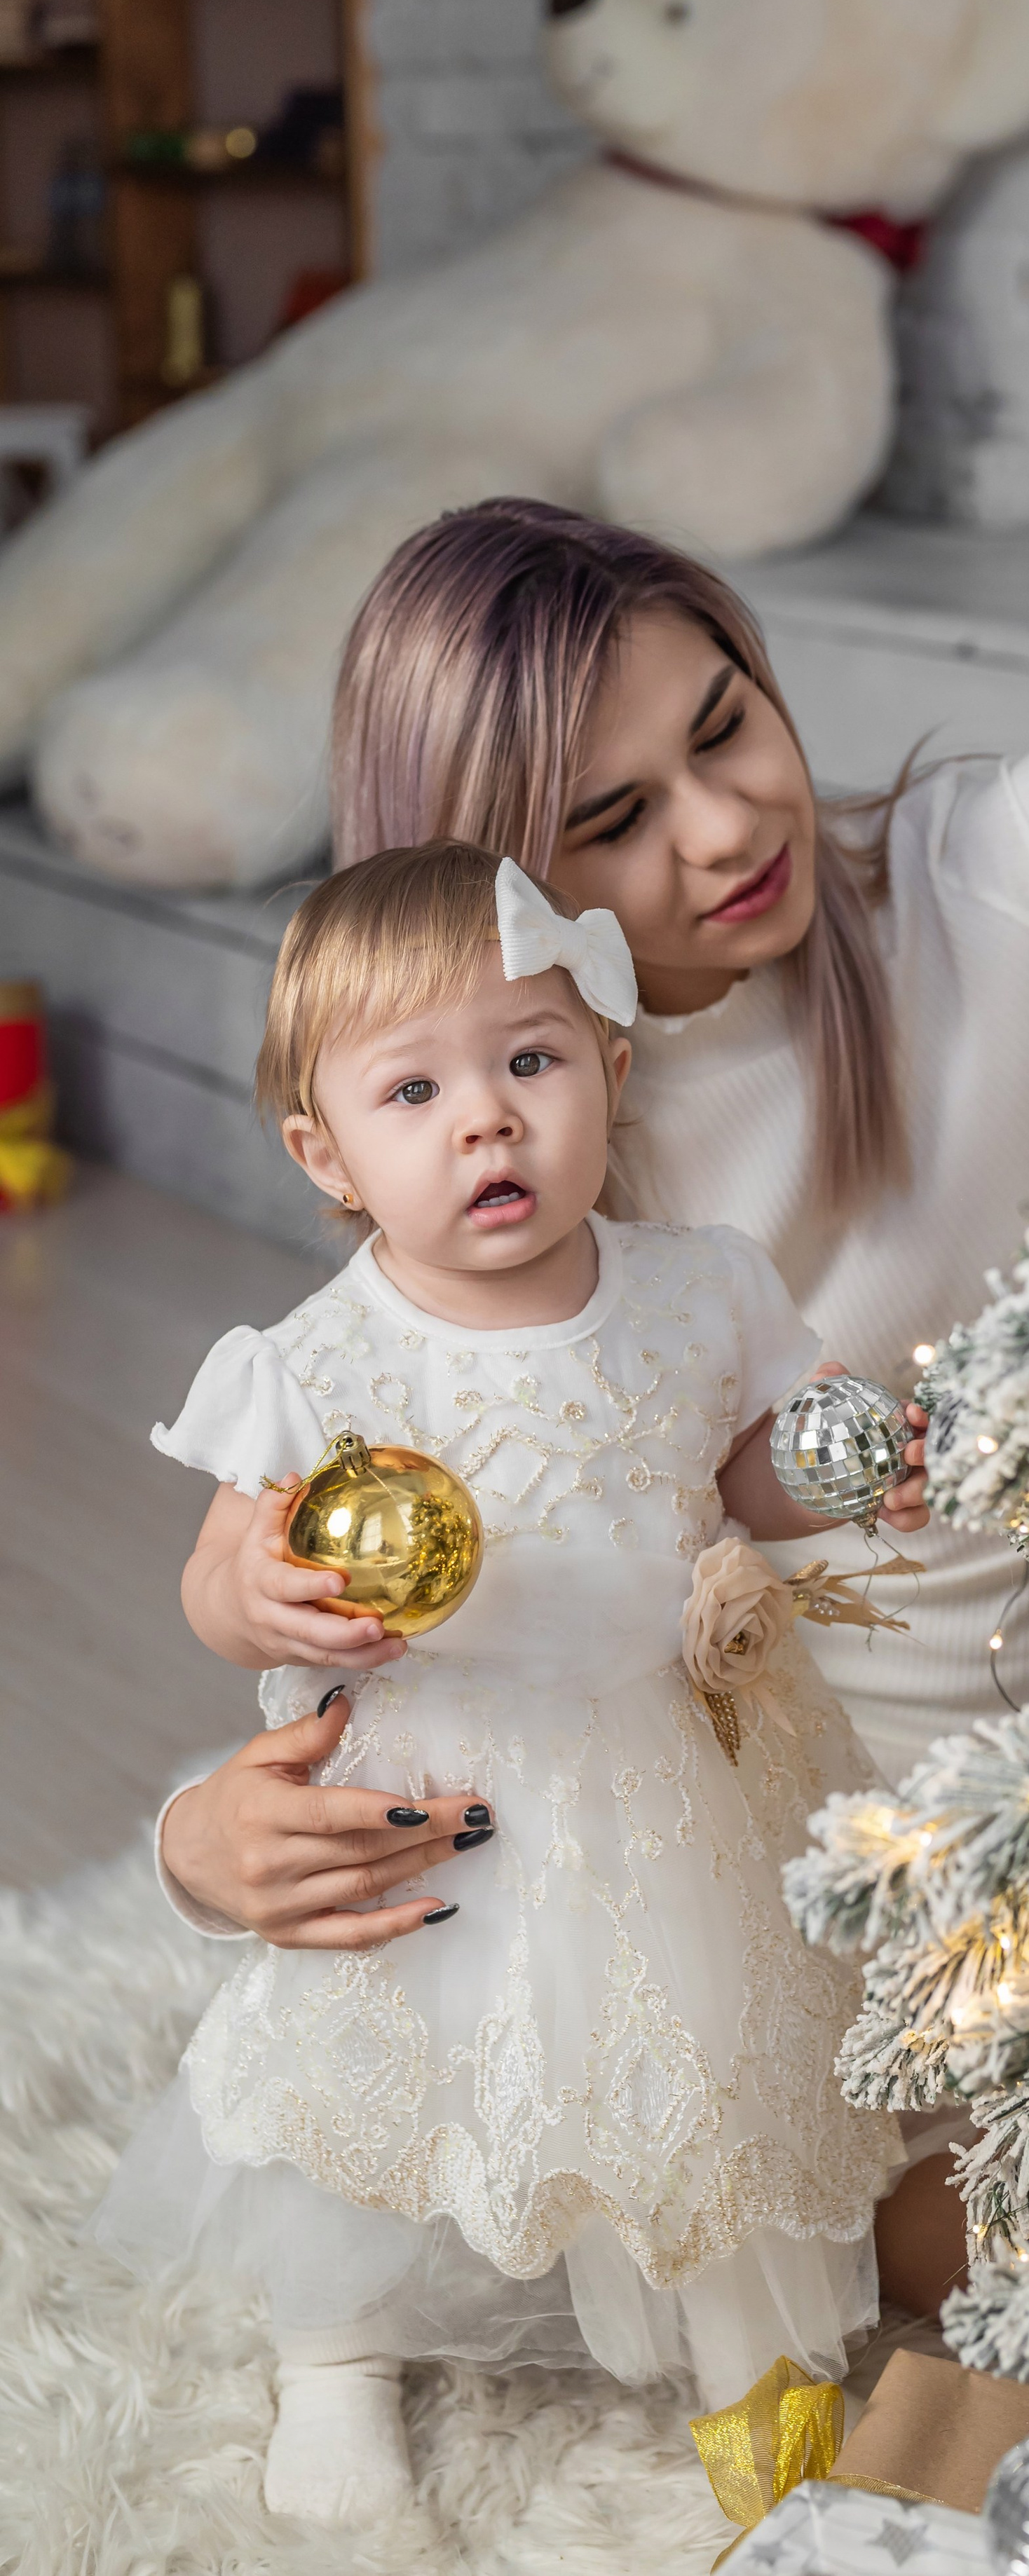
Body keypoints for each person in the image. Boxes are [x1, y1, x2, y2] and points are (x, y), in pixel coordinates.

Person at [158, 498, 1029, 1966]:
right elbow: (438, 1602)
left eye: (725, 724)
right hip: (812, 1852)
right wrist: (202, 1849)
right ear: (484, 894)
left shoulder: (1007, 864)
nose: (727, 824)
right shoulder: (514, 1165)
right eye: (612, 820)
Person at [97, 840, 929, 2523]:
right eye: (415, 1090)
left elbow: (744, 1477)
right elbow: (213, 1574)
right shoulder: (323, 1359)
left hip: (650, 1765)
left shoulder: (698, 1293)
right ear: (324, 1154)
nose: (486, 1120)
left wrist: (846, 1467)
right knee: (387, 2081)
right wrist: (257, 1595)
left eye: (529, 1062)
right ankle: (338, 2353)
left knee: (699, 2062)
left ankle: (755, 2376)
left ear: (608, 1073)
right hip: (429, 1791)